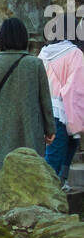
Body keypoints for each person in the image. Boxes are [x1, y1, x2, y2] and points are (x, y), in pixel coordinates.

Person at [0, 16, 54, 171]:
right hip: (31, 129)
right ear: (23, 37)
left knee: (5, 173)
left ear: (2, 39)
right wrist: (50, 129)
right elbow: (45, 100)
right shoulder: (36, 64)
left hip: (3, 129)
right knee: (32, 172)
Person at [39, 35, 84, 185]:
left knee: (62, 148)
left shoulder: (43, 53)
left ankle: (59, 184)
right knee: (54, 158)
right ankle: (49, 191)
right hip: (63, 109)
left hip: (46, 108)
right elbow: (76, 89)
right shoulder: (75, 53)